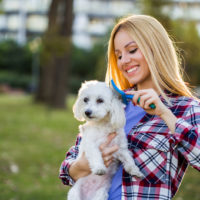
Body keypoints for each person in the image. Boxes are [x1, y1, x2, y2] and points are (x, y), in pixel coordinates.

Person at [59, 14, 200, 200]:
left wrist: (163, 113)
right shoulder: (111, 102)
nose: (124, 61)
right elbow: (68, 168)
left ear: (155, 49)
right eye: (118, 55)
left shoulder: (185, 108)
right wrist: (79, 167)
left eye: (132, 50)